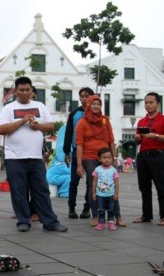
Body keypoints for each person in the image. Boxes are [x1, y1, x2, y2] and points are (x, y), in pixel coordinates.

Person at [0, 76, 68, 233]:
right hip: (14, 157)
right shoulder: (8, 108)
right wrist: (22, 121)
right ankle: (23, 220)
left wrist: (38, 125)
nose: (24, 92)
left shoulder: (40, 106)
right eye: (21, 90)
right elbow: (2, 129)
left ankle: (50, 222)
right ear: (15, 91)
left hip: (36, 158)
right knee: (19, 191)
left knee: (42, 190)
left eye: (27, 90)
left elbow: (50, 125)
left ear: (31, 90)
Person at [75, 95, 126, 227]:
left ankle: (117, 215)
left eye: (98, 104)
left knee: (111, 184)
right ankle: (95, 216)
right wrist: (79, 164)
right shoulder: (82, 122)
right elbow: (79, 144)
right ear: (88, 105)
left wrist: (114, 159)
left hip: (106, 156)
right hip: (89, 157)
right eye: (93, 104)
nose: (96, 106)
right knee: (94, 184)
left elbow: (111, 141)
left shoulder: (105, 121)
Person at [63, 87, 95, 219]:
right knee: (73, 182)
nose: (84, 98)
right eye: (81, 96)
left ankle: (87, 208)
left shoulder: (97, 115)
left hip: (92, 152)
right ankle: (71, 208)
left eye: (87, 96)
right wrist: (66, 152)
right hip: (77, 151)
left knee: (90, 182)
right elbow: (69, 133)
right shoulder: (74, 114)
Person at [133, 92, 164, 226]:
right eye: (146, 103)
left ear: (158, 103)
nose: (148, 105)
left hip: (158, 155)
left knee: (161, 186)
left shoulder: (162, 120)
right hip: (143, 155)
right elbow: (136, 140)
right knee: (144, 187)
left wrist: (156, 136)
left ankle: (163, 215)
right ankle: (146, 214)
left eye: (151, 102)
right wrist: (137, 138)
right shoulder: (142, 121)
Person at [92, 147, 119, 230]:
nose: (107, 160)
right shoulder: (97, 169)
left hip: (111, 194)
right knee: (101, 209)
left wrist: (116, 193)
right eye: (104, 158)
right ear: (99, 159)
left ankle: (111, 223)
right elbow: (94, 182)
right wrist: (94, 192)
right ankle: (101, 223)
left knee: (111, 209)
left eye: (109, 157)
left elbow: (116, 182)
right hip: (100, 194)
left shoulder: (113, 170)